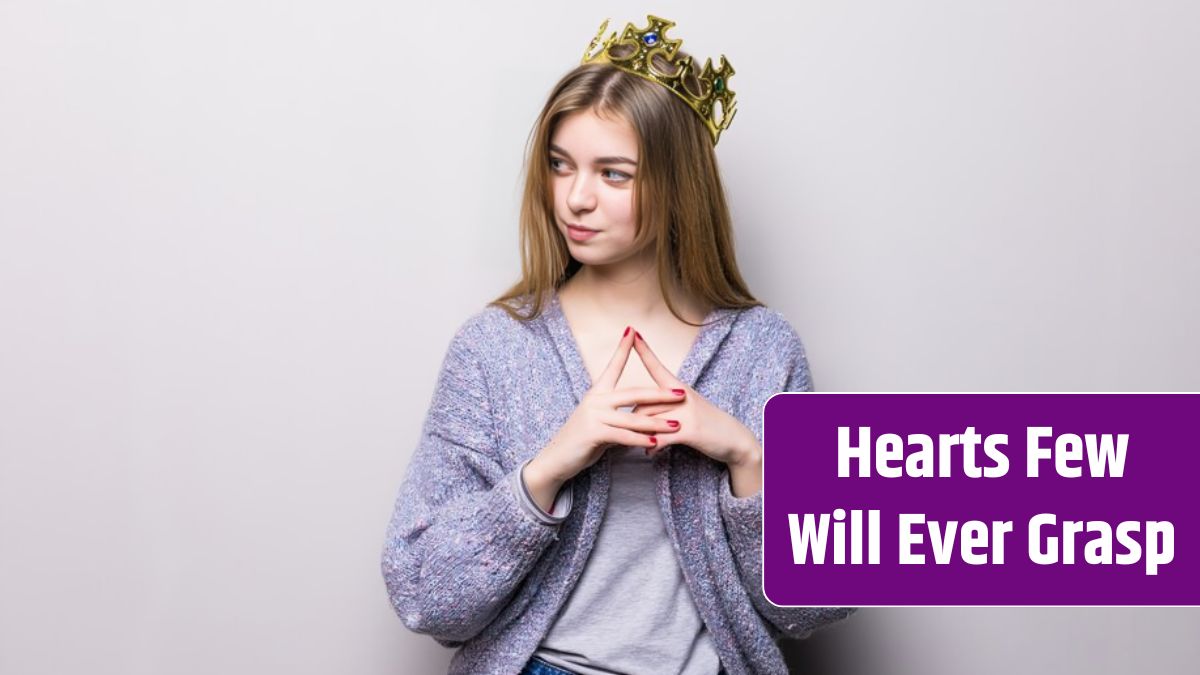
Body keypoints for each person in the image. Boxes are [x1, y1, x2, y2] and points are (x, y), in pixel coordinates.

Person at [381, 15, 855, 675]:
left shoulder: (763, 350)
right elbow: (424, 594)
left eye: (614, 174)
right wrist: (548, 469)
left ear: (677, 185)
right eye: (560, 165)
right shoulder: (494, 347)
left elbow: (817, 607)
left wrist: (747, 457)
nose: (574, 198)